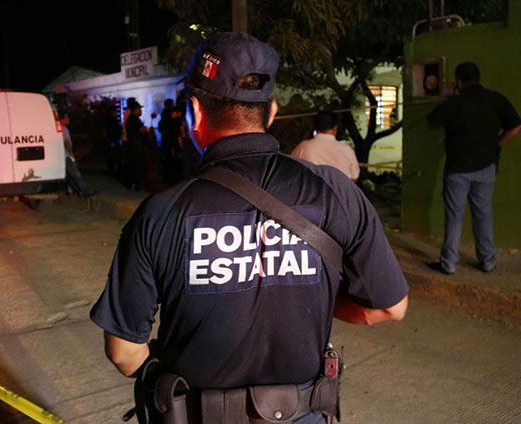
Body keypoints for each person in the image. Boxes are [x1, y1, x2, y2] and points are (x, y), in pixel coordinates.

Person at [91, 32, 408, 423]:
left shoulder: (161, 212)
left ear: (195, 111)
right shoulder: (335, 192)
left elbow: (125, 352)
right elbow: (390, 307)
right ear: (271, 111)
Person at [427, 62, 521, 274]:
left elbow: (431, 122)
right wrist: (498, 142)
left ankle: (448, 264)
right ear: (478, 78)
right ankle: (488, 261)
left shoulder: (455, 102)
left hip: (457, 170)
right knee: (483, 214)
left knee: (454, 216)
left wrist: (448, 97)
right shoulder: (496, 99)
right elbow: (515, 127)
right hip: (486, 167)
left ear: (458, 82)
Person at [291, 110, 360, 182]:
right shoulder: (346, 150)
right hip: (339, 192)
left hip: (310, 191)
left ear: (315, 127)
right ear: (335, 128)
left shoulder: (302, 147)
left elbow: (292, 169)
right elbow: (354, 177)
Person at [61, 113, 93, 196]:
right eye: (67, 117)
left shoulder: (56, 129)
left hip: (60, 156)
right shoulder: (63, 129)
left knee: (68, 175)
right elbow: (67, 143)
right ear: (62, 119)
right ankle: (85, 191)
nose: (69, 119)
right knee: (76, 174)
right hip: (66, 156)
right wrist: (72, 155)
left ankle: (71, 190)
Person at [124, 98, 151, 190]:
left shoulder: (136, 119)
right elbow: (133, 134)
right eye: (139, 109)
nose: (140, 111)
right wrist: (142, 132)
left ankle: (137, 183)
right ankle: (137, 184)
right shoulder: (132, 119)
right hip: (135, 147)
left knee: (138, 166)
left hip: (137, 146)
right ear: (135, 110)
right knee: (136, 166)